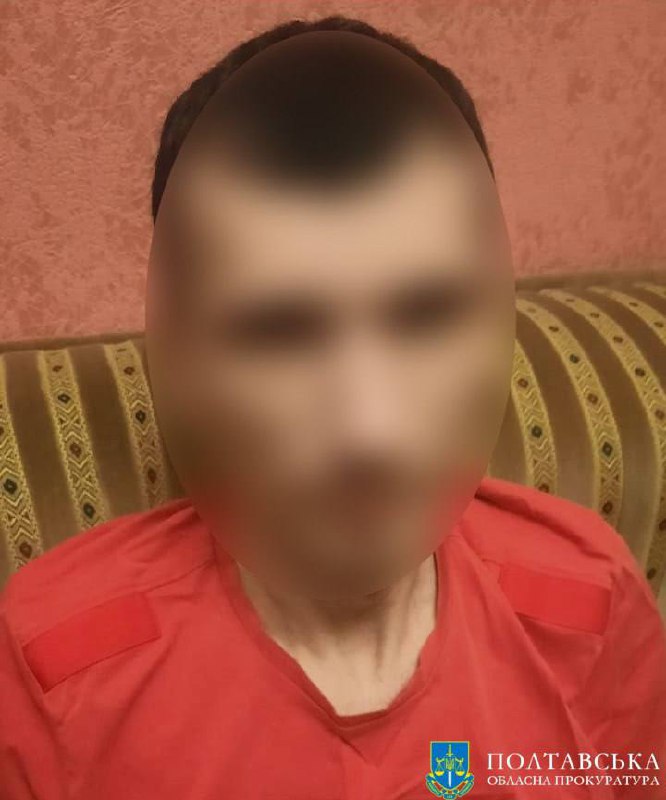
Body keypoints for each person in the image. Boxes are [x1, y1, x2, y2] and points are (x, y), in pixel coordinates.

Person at [1, 15, 665, 800]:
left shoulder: (591, 596)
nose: (369, 431)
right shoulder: (49, 663)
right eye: (279, 332)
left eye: (426, 314)